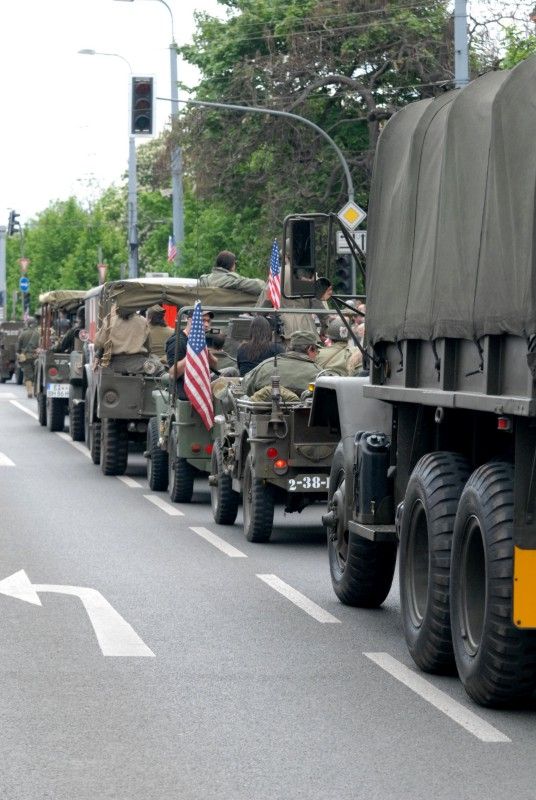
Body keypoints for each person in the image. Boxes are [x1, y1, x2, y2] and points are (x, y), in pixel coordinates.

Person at [242, 329, 321, 397]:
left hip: (263, 413)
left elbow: (246, 386)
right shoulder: (319, 374)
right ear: (311, 348)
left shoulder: (265, 365)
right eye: (317, 351)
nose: (317, 354)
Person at [166, 309, 216, 399]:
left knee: (230, 373)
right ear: (190, 321)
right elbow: (173, 373)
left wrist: (206, 351)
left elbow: (214, 367)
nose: (206, 325)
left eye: (208, 321)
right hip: (186, 387)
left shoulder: (201, 340)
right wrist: (194, 351)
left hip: (201, 380)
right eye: (202, 320)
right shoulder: (178, 341)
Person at [93, 305, 152, 373]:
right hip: (137, 365)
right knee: (158, 368)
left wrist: (98, 355)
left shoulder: (109, 321)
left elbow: (98, 344)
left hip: (113, 365)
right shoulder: (143, 321)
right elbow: (148, 346)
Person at [198, 250, 265, 297]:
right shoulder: (232, 280)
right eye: (235, 263)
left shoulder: (204, 280)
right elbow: (258, 286)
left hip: (208, 314)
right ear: (232, 265)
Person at [17, 315, 40, 398]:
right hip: (36, 357)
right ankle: (35, 391)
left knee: (28, 376)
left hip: (26, 357)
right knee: (36, 374)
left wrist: (20, 353)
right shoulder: (38, 333)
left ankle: (29, 392)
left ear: (28, 324)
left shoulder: (23, 334)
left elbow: (18, 347)